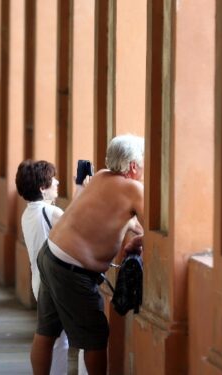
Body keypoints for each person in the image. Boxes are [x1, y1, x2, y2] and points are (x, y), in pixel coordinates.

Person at [31, 134, 145, 375]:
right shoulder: (134, 189)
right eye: (143, 162)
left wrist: (135, 231)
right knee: (96, 335)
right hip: (72, 270)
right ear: (134, 166)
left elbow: (116, 215)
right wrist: (139, 242)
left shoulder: (102, 176)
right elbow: (155, 230)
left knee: (46, 330)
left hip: (50, 255)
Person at [16, 160, 87, 375]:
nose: (56, 181)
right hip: (58, 282)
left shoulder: (28, 213)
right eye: (51, 179)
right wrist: (82, 190)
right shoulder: (50, 212)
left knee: (55, 339)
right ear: (42, 187)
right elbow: (78, 224)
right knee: (85, 334)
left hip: (39, 280)